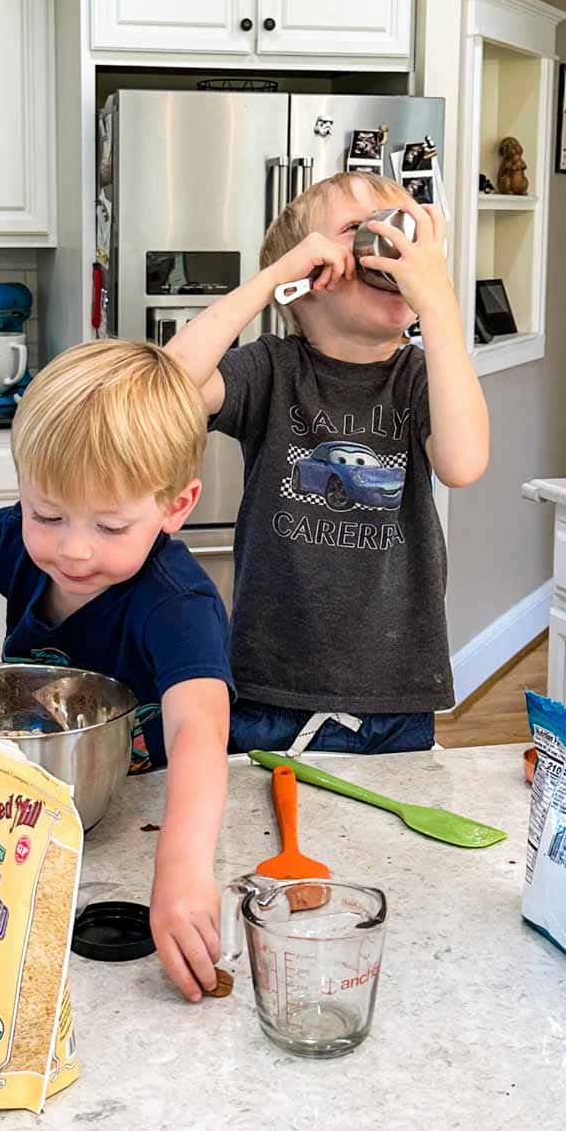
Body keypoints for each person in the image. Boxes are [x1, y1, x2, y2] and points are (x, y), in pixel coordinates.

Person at [0, 339, 234, 1001]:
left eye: (111, 527)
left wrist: (181, 867)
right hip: (23, 825)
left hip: (124, 821)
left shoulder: (178, 602)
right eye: (46, 515)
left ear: (176, 506)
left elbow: (201, 730)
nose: (74, 549)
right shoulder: (18, 543)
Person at [165, 171, 490, 756]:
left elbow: (463, 463)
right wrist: (268, 281)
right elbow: (165, 387)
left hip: (395, 693)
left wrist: (438, 301)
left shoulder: (419, 378)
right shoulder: (270, 371)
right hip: (270, 689)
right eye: (360, 232)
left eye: (405, 230)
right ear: (309, 274)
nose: (393, 246)